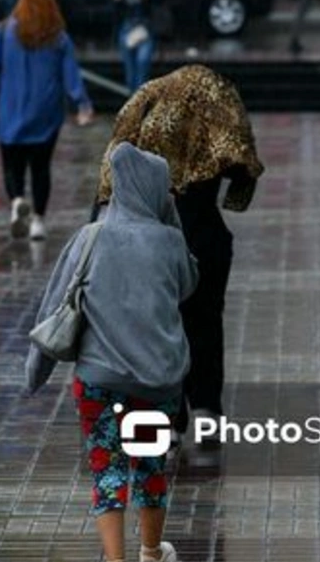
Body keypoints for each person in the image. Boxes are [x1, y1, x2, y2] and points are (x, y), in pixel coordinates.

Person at [26, 142, 199, 562]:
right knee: (148, 467)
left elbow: (54, 300)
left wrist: (34, 372)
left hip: (98, 380)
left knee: (105, 466)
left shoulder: (90, 237)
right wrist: (172, 219)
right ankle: (150, 559)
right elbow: (190, 284)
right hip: (154, 383)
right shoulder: (170, 242)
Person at [92, 65, 264, 442]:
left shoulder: (146, 99)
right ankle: (206, 410)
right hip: (204, 231)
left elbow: (113, 164)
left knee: (157, 325)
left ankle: (168, 417)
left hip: (150, 237)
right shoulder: (218, 98)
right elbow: (244, 160)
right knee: (206, 321)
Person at [0, 0, 93, 240]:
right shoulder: (58, 38)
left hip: (8, 112)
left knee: (12, 166)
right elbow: (71, 76)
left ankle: (17, 201)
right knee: (41, 168)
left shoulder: (2, 31)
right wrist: (82, 104)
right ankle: (38, 222)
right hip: (45, 114)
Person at [112, 0, 154, 92]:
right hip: (127, 29)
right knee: (130, 73)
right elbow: (115, 14)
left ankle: (140, 102)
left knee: (142, 63)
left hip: (143, 28)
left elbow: (154, 6)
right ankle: (134, 101)